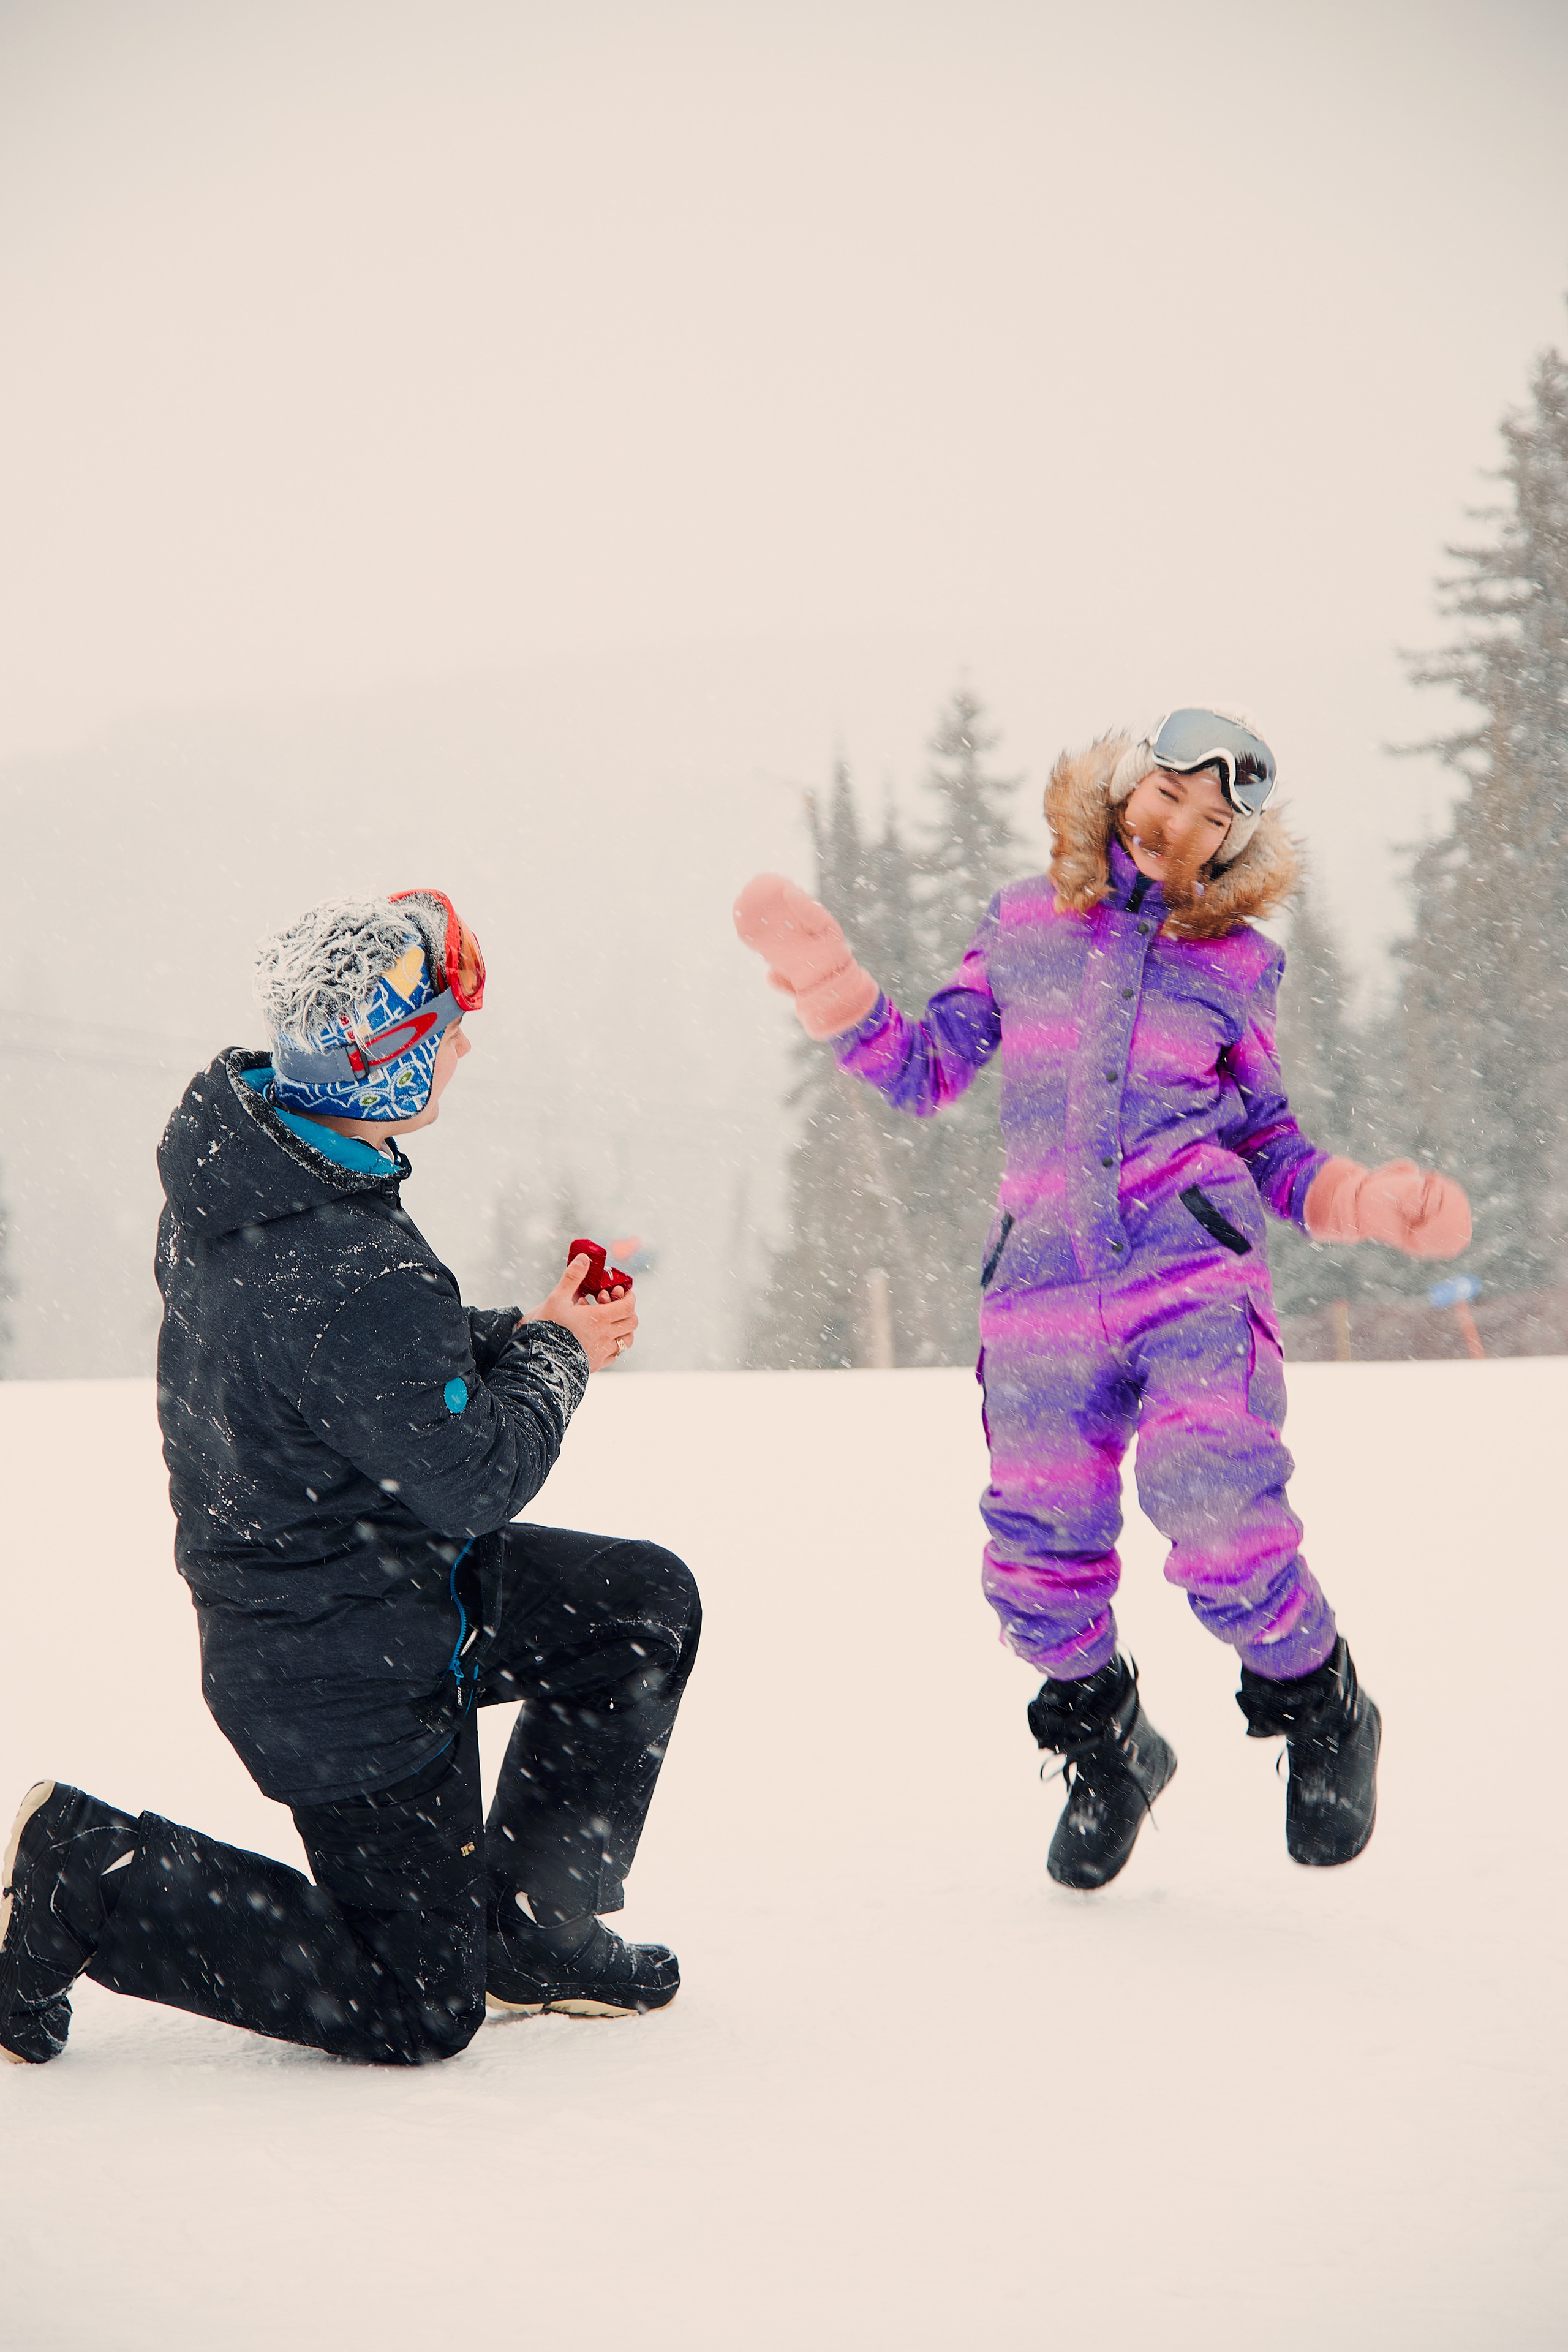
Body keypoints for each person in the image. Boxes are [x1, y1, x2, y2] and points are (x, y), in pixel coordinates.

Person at [734, 709, 1470, 1890]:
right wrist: (831, 983)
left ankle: (1320, 1705)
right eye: (1170, 796)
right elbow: (925, 1069)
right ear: (1130, 788)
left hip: (1192, 1268)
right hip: (1040, 1292)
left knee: (1217, 1504)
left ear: (1235, 846)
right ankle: (1109, 1747)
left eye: (1215, 820)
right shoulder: (1026, 925)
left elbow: (1275, 1146)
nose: (1181, 826)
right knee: (1034, 1560)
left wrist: (1371, 1200)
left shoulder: (1237, 968)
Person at [1, 889, 699, 2065]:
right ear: (379, 1059)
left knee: (637, 1607)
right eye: (442, 1028)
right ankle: (84, 1873)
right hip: (337, 1667)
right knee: (417, 2007)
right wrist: (559, 1353)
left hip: (370, 1582)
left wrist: (518, 1331)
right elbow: (476, 1475)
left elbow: (358, 1372)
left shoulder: (261, 1168)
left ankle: (533, 1928)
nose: (463, 1047)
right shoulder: (346, 1266)